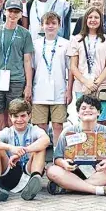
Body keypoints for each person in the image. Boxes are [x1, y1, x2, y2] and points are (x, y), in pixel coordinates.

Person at [46, 95, 106, 197]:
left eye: (92, 108)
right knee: (51, 171)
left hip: (96, 173)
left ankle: (68, 187)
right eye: (83, 108)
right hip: (72, 172)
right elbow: (57, 158)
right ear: (78, 113)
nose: (87, 110)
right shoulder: (68, 131)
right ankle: (98, 190)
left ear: (99, 112)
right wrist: (64, 163)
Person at [0, 99, 50, 202]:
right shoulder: (7, 131)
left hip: (29, 171)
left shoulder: (34, 129)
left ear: (29, 116)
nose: (19, 120)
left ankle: (33, 186)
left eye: (23, 116)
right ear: (10, 117)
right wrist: (11, 148)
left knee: (40, 148)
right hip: (11, 170)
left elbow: (46, 140)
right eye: (15, 116)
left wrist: (24, 150)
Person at [0, 0, 34, 134]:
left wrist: (28, 86)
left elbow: (27, 61)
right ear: (5, 12)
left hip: (17, 79)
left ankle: (14, 145)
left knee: (15, 118)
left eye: (16, 12)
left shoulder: (25, 34)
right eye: (10, 11)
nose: (13, 14)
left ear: (20, 14)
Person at [68, 6, 106, 125]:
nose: (93, 20)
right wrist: (86, 82)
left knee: (101, 120)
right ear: (85, 19)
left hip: (102, 86)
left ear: (101, 20)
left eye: (96, 17)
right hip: (82, 86)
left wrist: (95, 84)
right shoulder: (76, 39)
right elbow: (73, 66)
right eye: (90, 17)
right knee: (84, 119)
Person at [32, 11, 71, 144]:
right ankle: (40, 153)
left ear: (59, 25)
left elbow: (70, 69)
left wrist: (69, 90)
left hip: (59, 90)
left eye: (53, 23)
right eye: (47, 23)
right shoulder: (35, 44)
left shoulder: (66, 44)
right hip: (39, 90)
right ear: (42, 26)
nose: (50, 26)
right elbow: (31, 68)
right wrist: (28, 87)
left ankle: (57, 153)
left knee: (58, 125)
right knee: (40, 126)